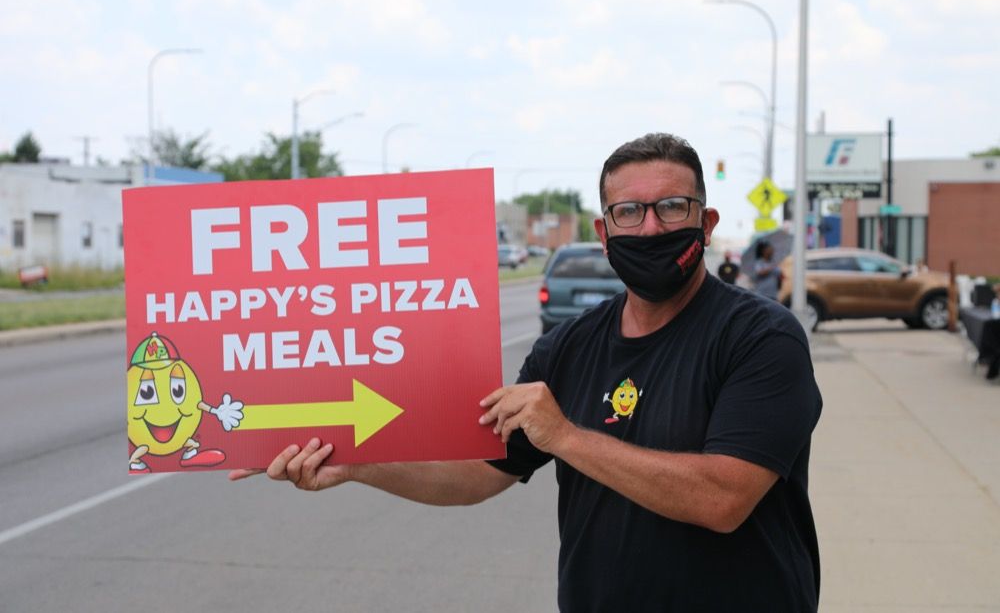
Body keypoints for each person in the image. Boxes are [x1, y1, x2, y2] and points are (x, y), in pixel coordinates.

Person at [231, 132, 824, 611]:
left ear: (707, 222)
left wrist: (564, 435)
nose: (650, 227)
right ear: (604, 232)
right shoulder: (568, 347)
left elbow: (723, 499)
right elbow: (480, 474)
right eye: (628, 211)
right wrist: (357, 464)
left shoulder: (760, 338)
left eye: (672, 207)